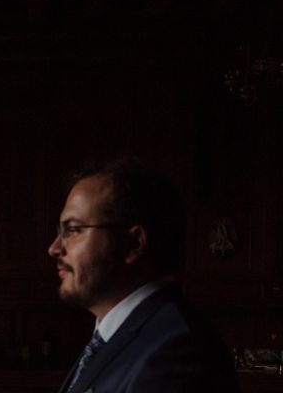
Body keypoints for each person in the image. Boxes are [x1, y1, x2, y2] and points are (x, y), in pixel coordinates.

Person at [48, 157, 237, 393]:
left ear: (134, 243)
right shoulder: (119, 337)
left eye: (73, 230)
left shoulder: (175, 351)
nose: (54, 248)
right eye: (60, 231)